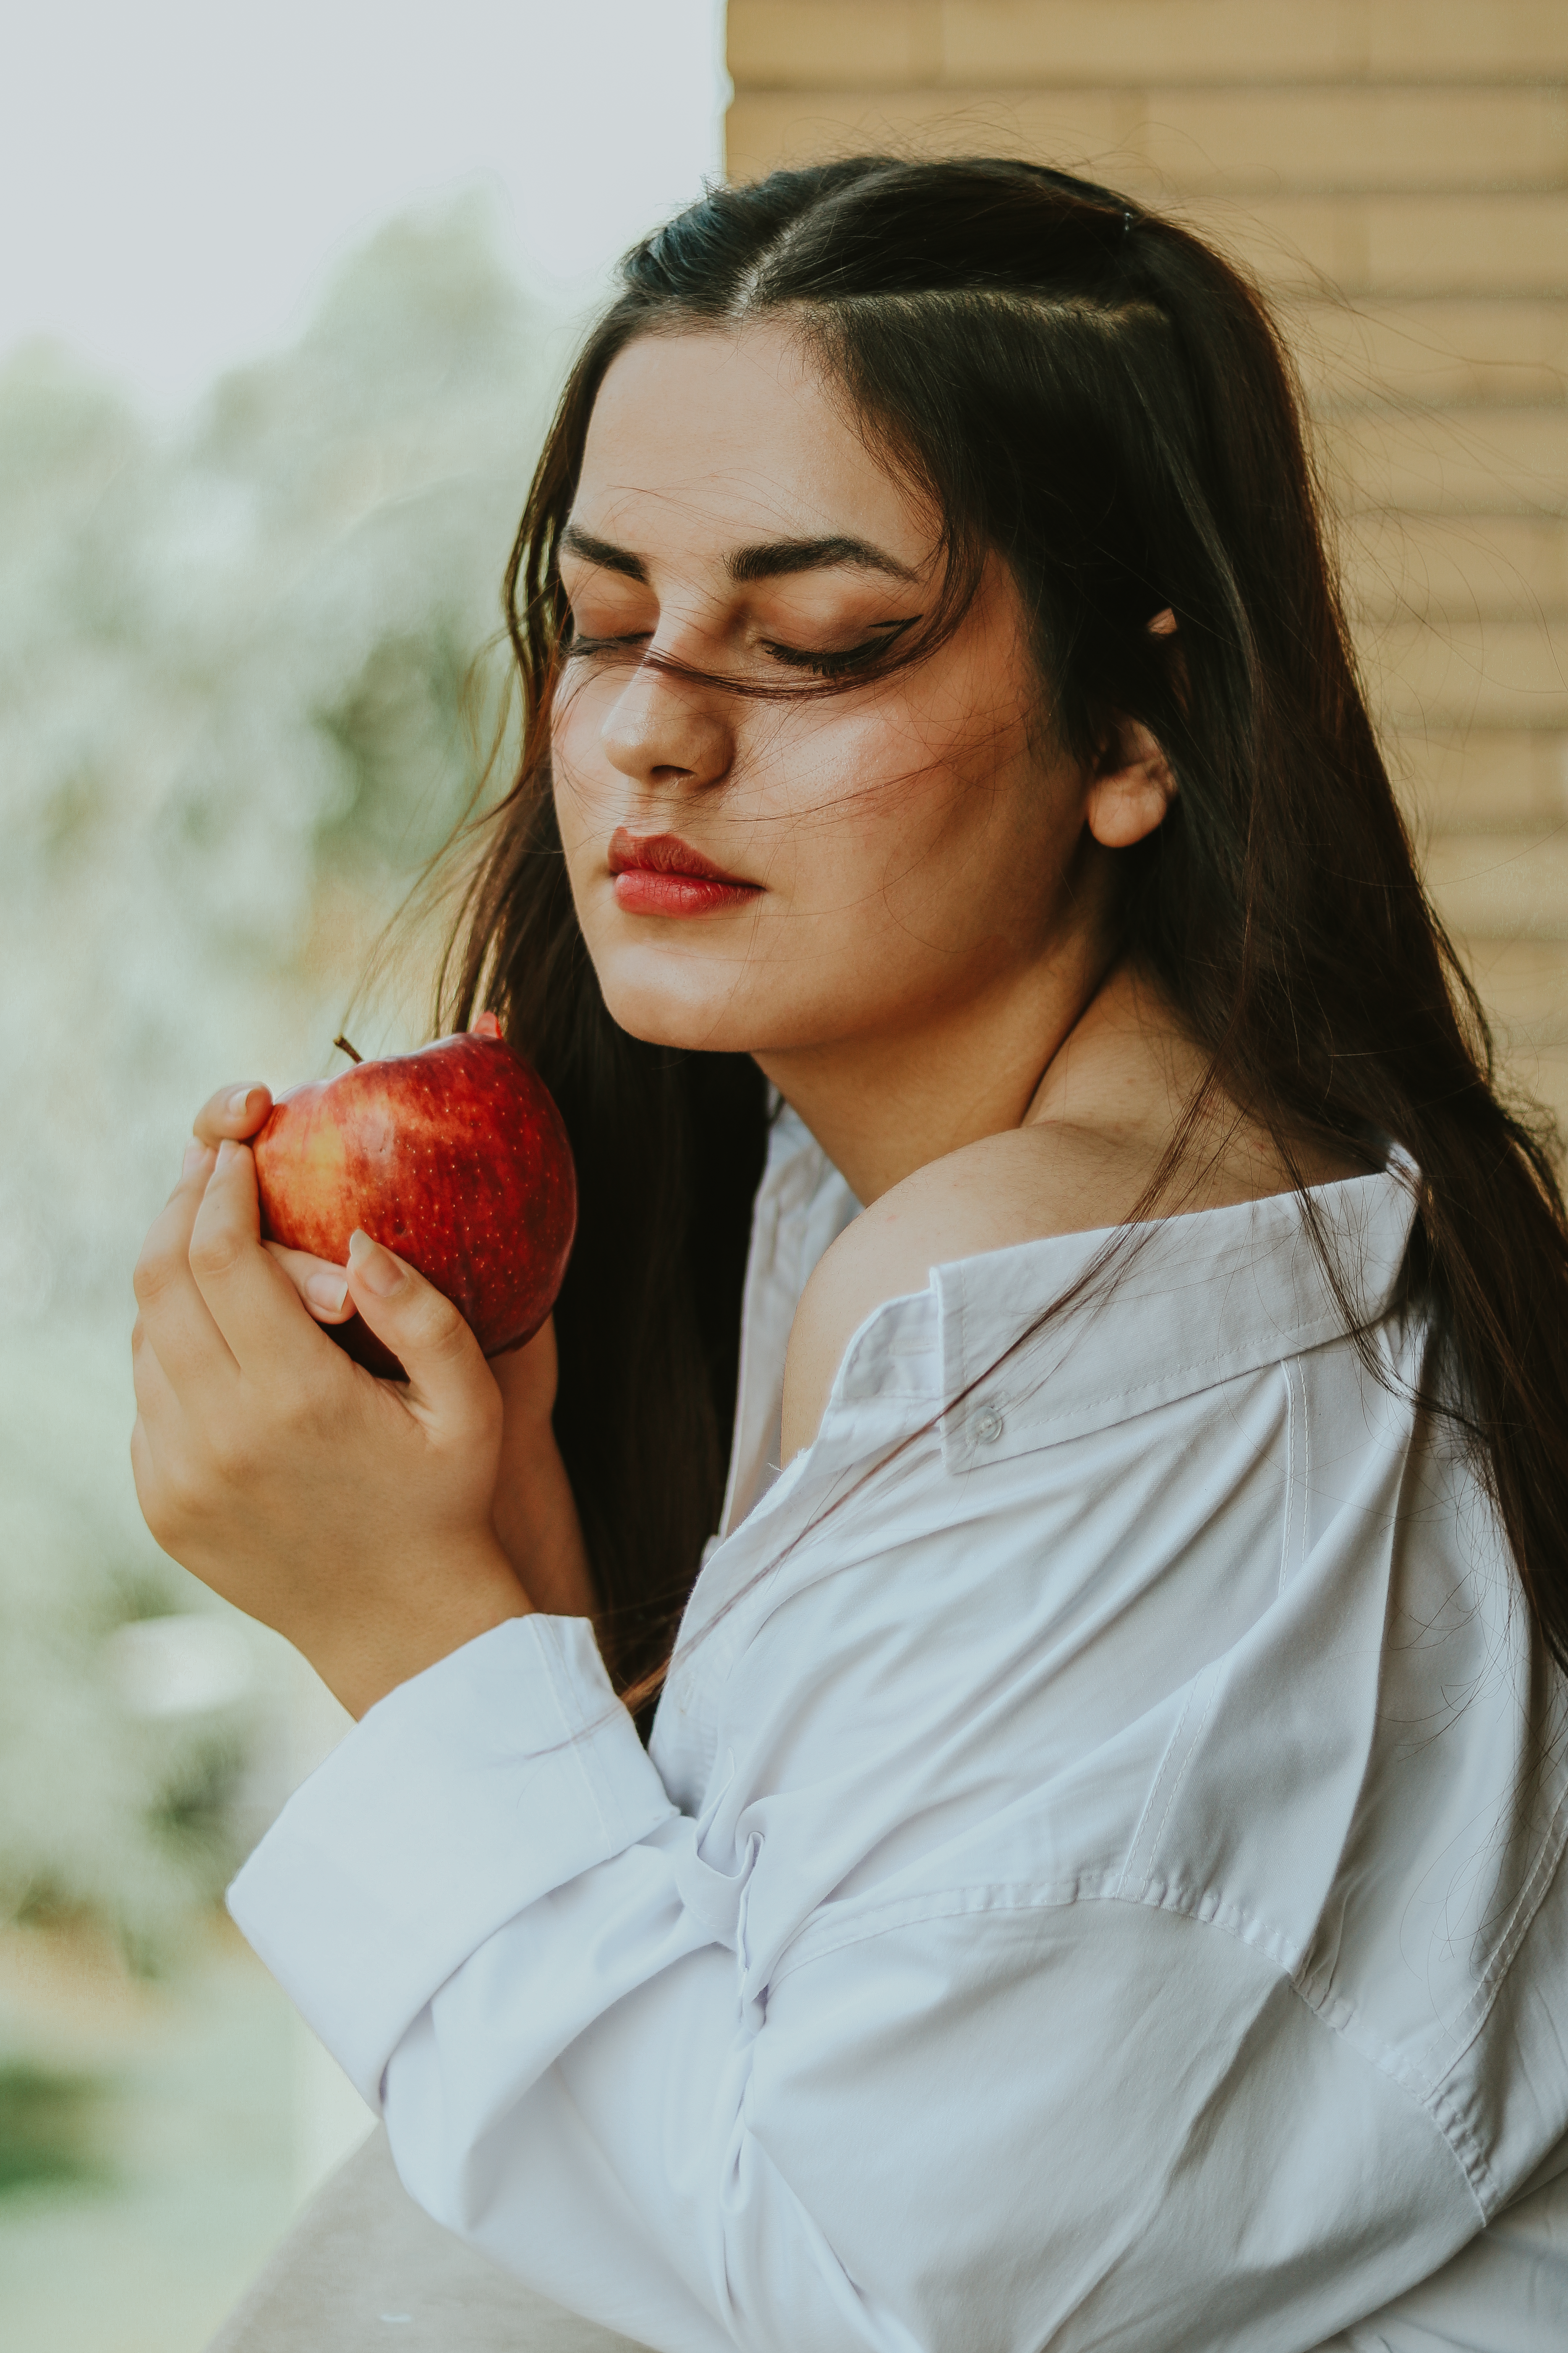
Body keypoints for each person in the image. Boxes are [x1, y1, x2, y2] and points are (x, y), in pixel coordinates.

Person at [131, 160, 1568, 2351]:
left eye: (816, 645)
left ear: (1130, 726)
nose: (648, 734)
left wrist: (412, 1647)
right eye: (604, 623)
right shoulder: (859, 1186)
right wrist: (517, 1598)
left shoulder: (1074, 1299)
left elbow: (855, 2285)